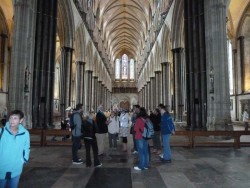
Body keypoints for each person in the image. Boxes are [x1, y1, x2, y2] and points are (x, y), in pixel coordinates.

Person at [0, 110, 30, 188]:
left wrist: (24, 159)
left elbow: (26, 147)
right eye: (10, 118)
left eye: (15, 118)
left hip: (16, 168)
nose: (12, 120)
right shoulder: (1, 132)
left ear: (21, 120)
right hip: (1, 168)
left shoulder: (25, 133)